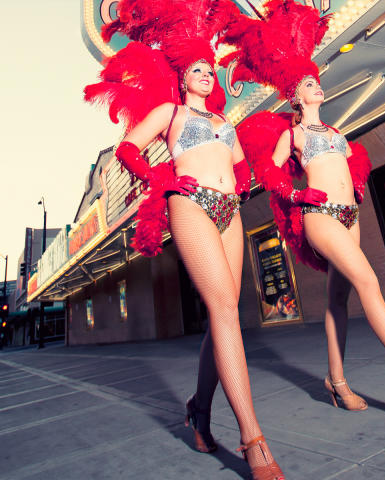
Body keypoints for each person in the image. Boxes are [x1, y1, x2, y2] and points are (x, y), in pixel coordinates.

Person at [226, 0, 385, 422]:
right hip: (320, 218)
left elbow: (355, 159)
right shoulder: (292, 134)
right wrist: (295, 198)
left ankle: (336, 382)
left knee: (338, 298)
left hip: (350, 217)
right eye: (310, 84)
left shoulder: (334, 131)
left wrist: (356, 179)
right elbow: (271, 173)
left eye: (317, 82)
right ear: (297, 94)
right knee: (370, 284)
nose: (318, 85)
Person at [85, 1, 284, 478]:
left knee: (226, 314)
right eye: (196, 69)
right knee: (223, 311)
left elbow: (239, 166)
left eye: (209, 69)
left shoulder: (225, 123)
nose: (205, 75)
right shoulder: (170, 111)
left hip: (228, 211)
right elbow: (126, 149)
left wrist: (239, 184)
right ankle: (253, 440)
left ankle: (198, 407)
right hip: (189, 204)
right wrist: (163, 177)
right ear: (182, 77)